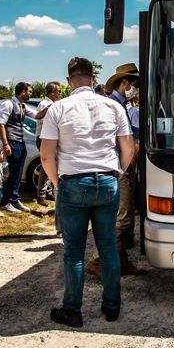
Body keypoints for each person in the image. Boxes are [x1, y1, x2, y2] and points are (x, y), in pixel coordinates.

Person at [40, 57, 134, 327]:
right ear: (93, 79)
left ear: (69, 81)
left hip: (73, 182)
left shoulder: (58, 109)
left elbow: (46, 156)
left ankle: (72, 310)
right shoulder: (113, 107)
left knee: (74, 252)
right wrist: (117, 173)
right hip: (106, 181)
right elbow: (128, 148)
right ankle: (112, 305)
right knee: (108, 249)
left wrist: (59, 184)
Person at [85, 63, 146, 278]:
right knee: (122, 219)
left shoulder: (122, 105)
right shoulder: (113, 106)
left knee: (126, 218)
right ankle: (97, 262)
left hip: (122, 168)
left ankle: (122, 262)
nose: (136, 89)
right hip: (117, 169)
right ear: (124, 83)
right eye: (135, 85)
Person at [0, 82, 36, 213]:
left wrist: (50, 109)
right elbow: (1, 124)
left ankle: (14, 199)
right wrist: (6, 144)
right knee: (13, 173)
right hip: (12, 141)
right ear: (23, 92)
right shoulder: (8, 104)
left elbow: (36, 115)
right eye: (29, 91)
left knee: (18, 173)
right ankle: (5, 202)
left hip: (20, 141)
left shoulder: (22, 106)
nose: (31, 94)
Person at [34, 82, 62, 206]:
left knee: (52, 165)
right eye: (58, 91)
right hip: (44, 137)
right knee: (46, 166)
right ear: (52, 92)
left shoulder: (54, 104)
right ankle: (40, 195)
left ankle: (48, 191)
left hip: (50, 137)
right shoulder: (45, 104)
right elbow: (40, 117)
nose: (60, 93)